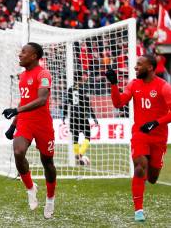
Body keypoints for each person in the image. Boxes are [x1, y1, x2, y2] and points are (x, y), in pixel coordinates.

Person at [105, 54, 171, 222]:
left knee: (153, 178)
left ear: (150, 67)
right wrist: (113, 84)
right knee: (140, 166)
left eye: (139, 65)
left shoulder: (164, 87)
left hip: (159, 137)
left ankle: (151, 169)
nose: (135, 67)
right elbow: (118, 103)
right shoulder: (133, 85)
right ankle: (138, 211)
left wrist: (156, 123)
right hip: (140, 133)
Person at [2, 42, 56, 219]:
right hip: (25, 121)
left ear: (34, 56)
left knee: (47, 162)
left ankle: (50, 198)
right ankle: (31, 188)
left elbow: (41, 100)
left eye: (24, 52)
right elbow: (23, 102)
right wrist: (13, 124)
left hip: (42, 124)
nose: (20, 55)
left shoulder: (44, 74)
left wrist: (16, 111)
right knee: (18, 152)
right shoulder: (22, 76)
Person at [63, 72, 98, 164]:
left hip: (73, 116)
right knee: (87, 136)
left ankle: (77, 156)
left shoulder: (70, 89)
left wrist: (64, 115)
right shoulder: (83, 89)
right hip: (82, 115)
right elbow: (88, 105)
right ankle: (80, 154)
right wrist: (94, 118)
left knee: (75, 137)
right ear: (80, 79)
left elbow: (66, 103)